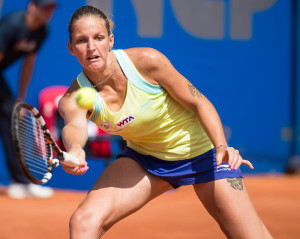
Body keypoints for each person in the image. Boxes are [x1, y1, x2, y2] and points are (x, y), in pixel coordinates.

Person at [59, 5, 273, 239]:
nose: (91, 48)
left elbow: (199, 102)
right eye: (81, 41)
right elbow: (75, 127)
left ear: (111, 40)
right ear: (71, 48)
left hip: (203, 154)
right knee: (83, 221)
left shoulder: (147, 61)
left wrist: (221, 146)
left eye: (98, 38)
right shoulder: (73, 98)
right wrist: (76, 149)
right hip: (146, 160)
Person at [0, 0, 57, 199]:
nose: (48, 12)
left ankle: (19, 182)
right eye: (44, 7)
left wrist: (20, 98)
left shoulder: (42, 31)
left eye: (51, 9)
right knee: (8, 115)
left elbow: (28, 63)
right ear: (32, 7)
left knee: (10, 117)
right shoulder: (11, 25)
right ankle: (19, 181)